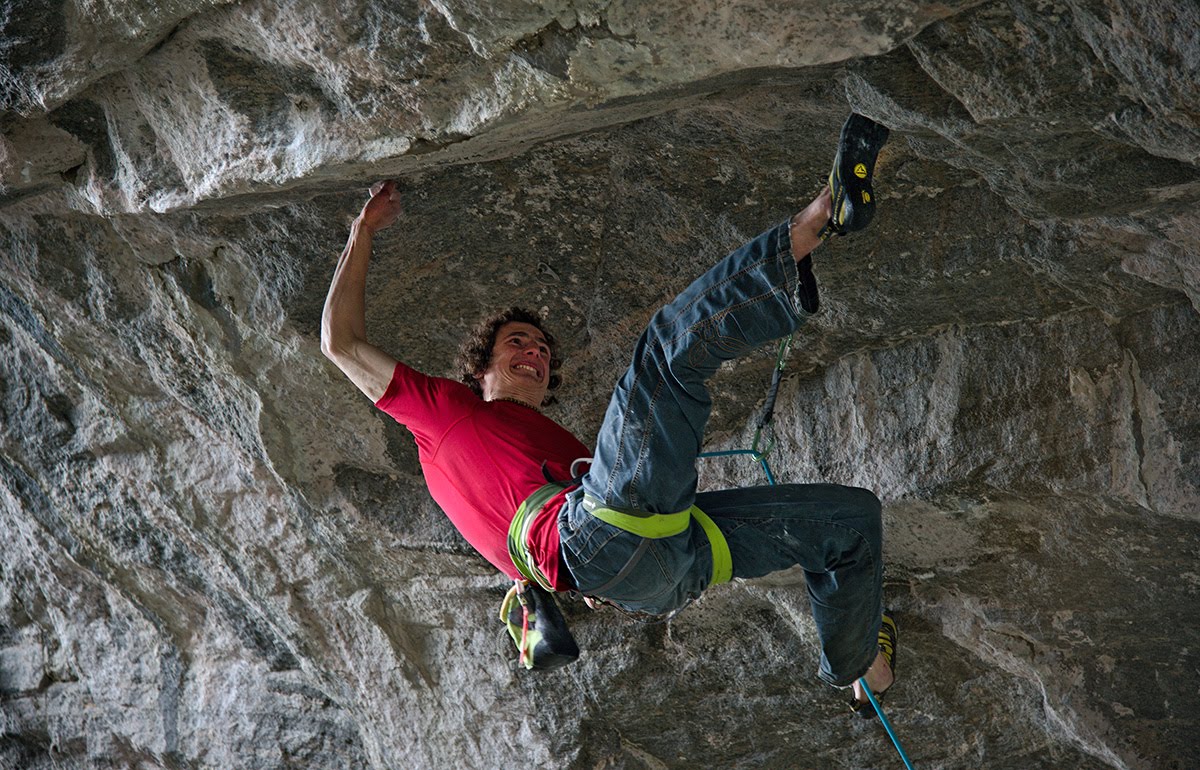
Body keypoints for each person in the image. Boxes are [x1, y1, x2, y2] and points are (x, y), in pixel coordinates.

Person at [321, 114, 896, 715]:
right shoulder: (444, 413)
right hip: (604, 540)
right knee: (668, 347)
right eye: (517, 342)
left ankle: (862, 672)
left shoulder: (559, 454)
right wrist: (363, 229)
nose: (534, 353)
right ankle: (819, 217)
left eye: (542, 351)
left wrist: (591, 572)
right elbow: (340, 342)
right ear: (478, 370)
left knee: (850, 523)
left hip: (657, 569)